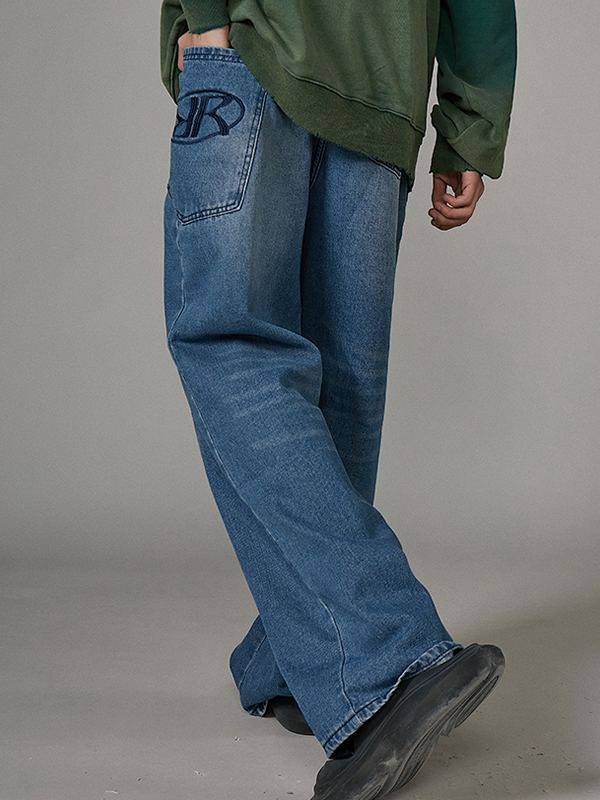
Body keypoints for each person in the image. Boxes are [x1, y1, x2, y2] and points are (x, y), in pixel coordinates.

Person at [159, 2, 517, 798]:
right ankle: (299, 662)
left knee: (230, 345)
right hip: (385, 86)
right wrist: (470, 126)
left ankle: (390, 657)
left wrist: (207, 18)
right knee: (338, 386)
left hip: (257, 41)